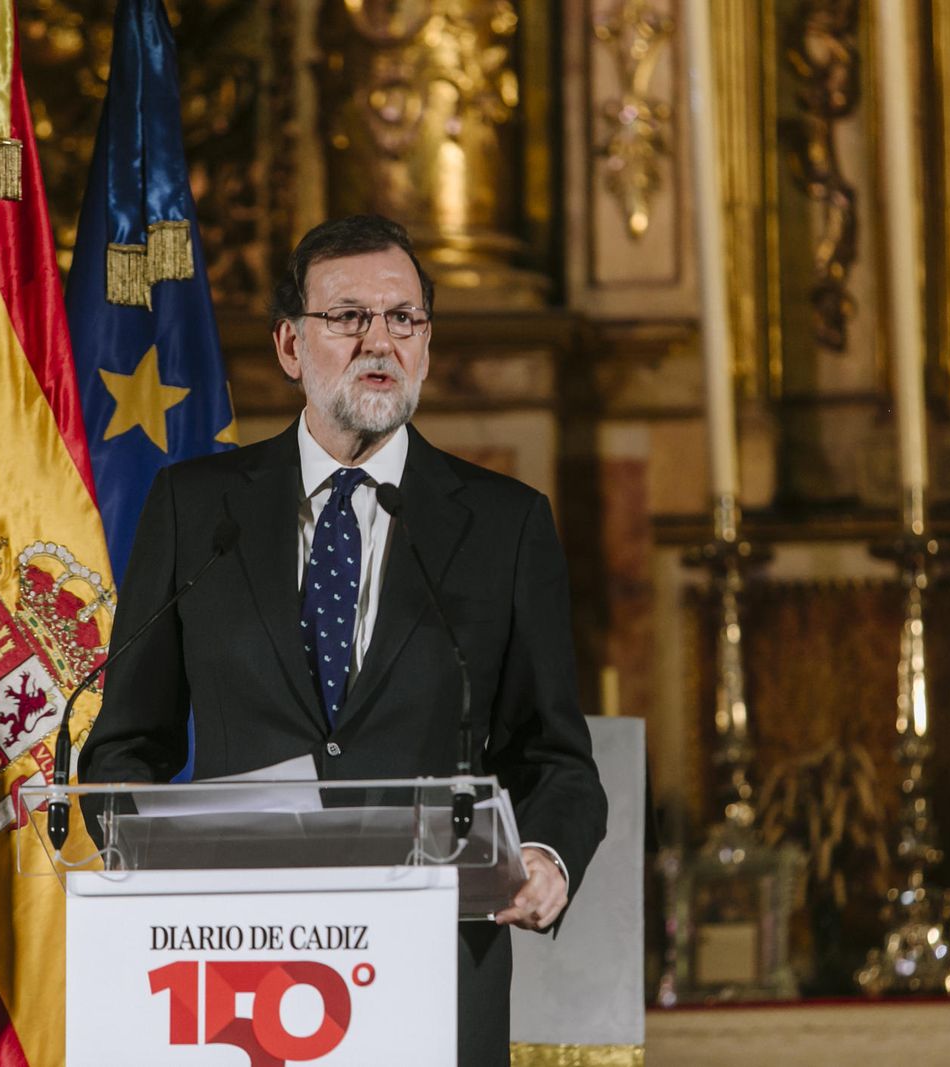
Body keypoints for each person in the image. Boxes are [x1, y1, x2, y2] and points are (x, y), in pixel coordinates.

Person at [78, 213, 607, 1064]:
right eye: (349, 317)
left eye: (403, 319)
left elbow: (556, 756)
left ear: (427, 344)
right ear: (290, 344)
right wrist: (146, 859)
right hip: (232, 976)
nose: (379, 342)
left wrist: (544, 855)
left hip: (433, 972)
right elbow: (124, 747)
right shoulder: (196, 510)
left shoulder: (506, 525)